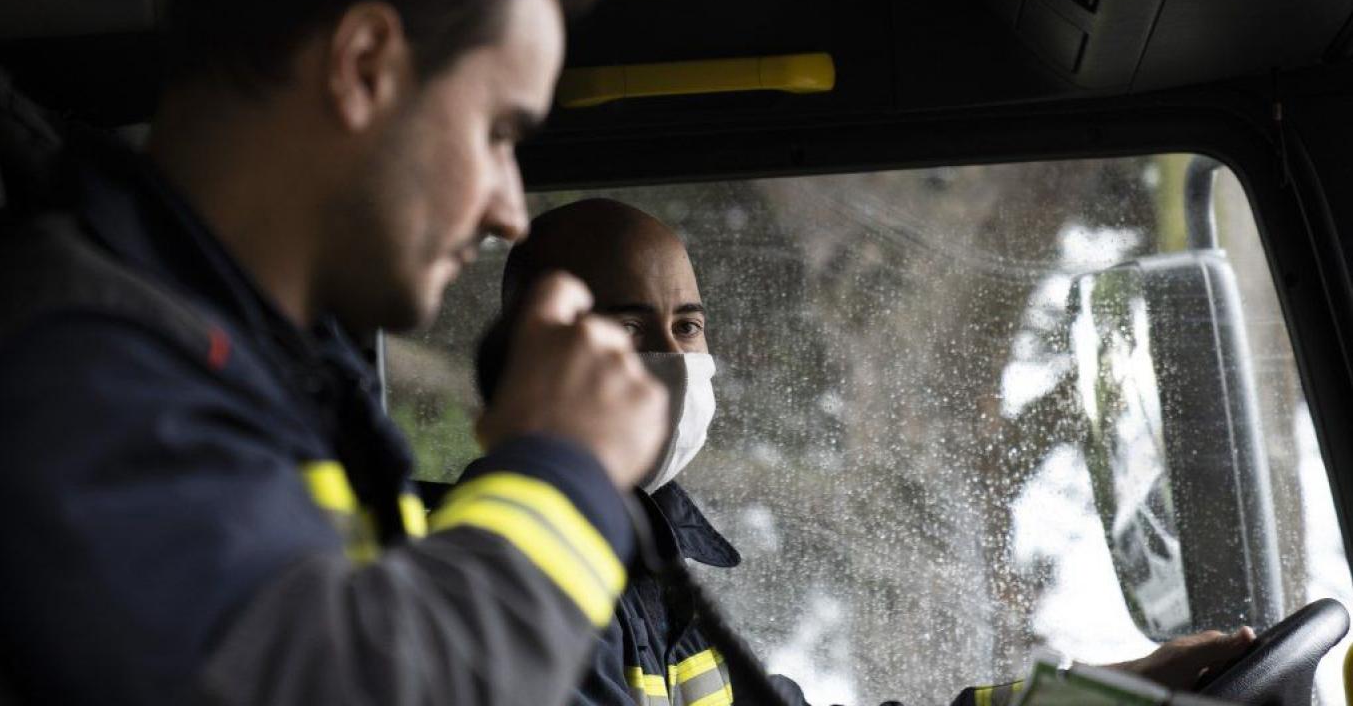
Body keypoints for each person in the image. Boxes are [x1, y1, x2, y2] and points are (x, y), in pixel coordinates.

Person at [0, 0, 670, 706]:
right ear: (363, 66)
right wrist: (566, 467)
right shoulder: (83, 359)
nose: (511, 214)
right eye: (498, 133)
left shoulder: (273, 378)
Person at [490, 198, 1258, 706]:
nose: (671, 359)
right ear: (531, 353)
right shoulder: (498, 570)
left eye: (687, 327)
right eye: (629, 329)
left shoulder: (655, 577)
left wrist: (1104, 694)